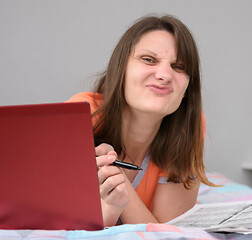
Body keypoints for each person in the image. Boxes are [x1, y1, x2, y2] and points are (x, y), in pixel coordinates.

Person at [67, 14, 215, 227]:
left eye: (179, 66)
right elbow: (61, 222)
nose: (164, 74)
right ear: (122, 68)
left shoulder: (189, 125)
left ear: (188, 86)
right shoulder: (81, 114)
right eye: (148, 60)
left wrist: (118, 179)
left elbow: (168, 233)